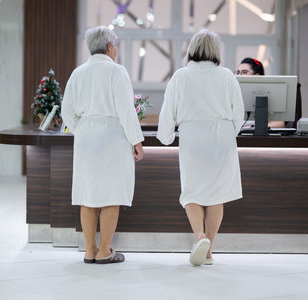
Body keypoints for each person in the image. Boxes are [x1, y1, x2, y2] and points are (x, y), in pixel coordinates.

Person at [157, 29, 244, 266]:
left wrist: (165, 137)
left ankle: (199, 236)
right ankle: (208, 250)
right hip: (221, 138)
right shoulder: (227, 76)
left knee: (192, 191)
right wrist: (228, 134)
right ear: (216, 51)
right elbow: (239, 114)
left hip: (192, 137)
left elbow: (168, 112)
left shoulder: (180, 76)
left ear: (192, 49)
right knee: (216, 194)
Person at [62, 26, 144, 264]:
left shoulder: (78, 73)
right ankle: (105, 251)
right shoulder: (116, 71)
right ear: (110, 47)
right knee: (111, 194)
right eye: (115, 46)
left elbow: (66, 111)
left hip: (86, 137)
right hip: (113, 138)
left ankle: (89, 250)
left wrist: (83, 129)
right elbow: (126, 110)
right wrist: (136, 140)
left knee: (88, 194)